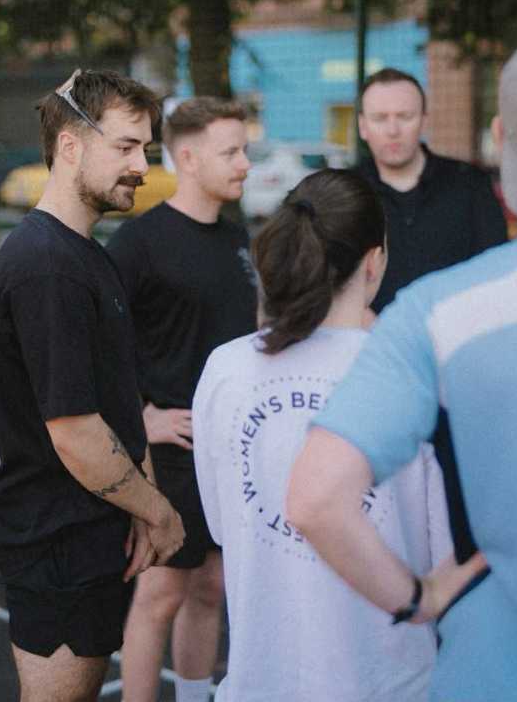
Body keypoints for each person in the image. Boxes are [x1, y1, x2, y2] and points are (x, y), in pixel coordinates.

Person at [287, 30, 517, 702]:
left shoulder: (433, 312)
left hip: (497, 675)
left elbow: (315, 498)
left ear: (501, 137)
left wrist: (417, 597)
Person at [192, 167, 452, 702]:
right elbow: (443, 553)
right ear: (374, 261)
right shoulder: (415, 374)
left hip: (262, 682)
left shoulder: (225, 369)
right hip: (390, 682)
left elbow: (222, 523)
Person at [0, 70, 184, 702]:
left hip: (85, 533)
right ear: (70, 145)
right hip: (55, 540)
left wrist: (141, 503)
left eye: (145, 148)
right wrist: (160, 513)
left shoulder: (83, 254)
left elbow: (114, 400)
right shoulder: (48, 268)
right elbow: (75, 431)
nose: (141, 166)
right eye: (125, 146)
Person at [108, 97, 258, 702]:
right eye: (232, 152)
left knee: (212, 586)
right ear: (188, 159)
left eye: (245, 150)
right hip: (172, 453)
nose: (245, 163)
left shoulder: (239, 239)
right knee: (161, 592)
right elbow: (96, 344)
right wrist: (140, 417)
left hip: (229, 447)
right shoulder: (139, 243)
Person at [357, 66, 508, 557]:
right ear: (362, 125)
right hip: (373, 375)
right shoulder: (342, 191)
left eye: (404, 116)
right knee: (382, 523)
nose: (393, 128)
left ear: (424, 120)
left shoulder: (469, 185)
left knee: (466, 523)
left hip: (460, 381)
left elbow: (494, 278)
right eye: (381, 117)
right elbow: (316, 279)